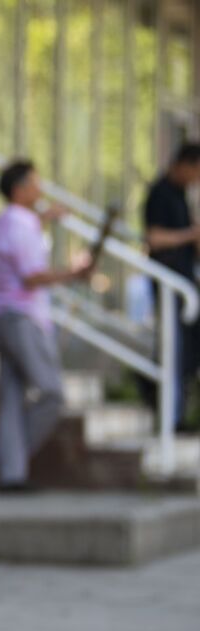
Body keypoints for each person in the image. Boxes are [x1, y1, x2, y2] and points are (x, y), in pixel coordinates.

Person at [0, 160, 93, 491]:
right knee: (51, 392)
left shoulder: (4, 223)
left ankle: (11, 475)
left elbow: (20, 253)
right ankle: (8, 455)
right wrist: (74, 274)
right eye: (34, 183)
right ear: (19, 190)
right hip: (22, 318)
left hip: (2, 317)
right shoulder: (22, 226)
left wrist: (43, 220)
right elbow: (32, 276)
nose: (40, 189)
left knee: (12, 397)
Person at [143, 143, 200, 430]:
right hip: (169, 287)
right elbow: (154, 238)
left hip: (185, 283)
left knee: (187, 352)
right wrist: (191, 234)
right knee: (172, 350)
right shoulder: (160, 193)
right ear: (185, 164)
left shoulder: (181, 195)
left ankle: (175, 414)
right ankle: (168, 415)